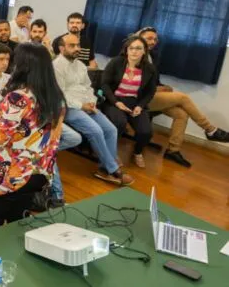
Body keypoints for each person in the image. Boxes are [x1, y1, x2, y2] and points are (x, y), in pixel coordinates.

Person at [0, 44, 65, 230]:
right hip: (37, 173)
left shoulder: (19, 99)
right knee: (18, 225)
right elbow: (55, 138)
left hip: (7, 176)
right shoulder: (56, 98)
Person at [136, 27, 228, 167]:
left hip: (152, 95)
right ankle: (210, 129)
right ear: (139, 37)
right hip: (138, 99)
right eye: (149, 38)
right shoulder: (134, 54)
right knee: (183, 98)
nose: (153, 41)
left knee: (181, 114)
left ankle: (173, 151)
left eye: (155, 39)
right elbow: (135, 85)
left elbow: (154, 80)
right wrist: (157, 88)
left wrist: (162, 87)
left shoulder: (153, 56)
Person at [54, 34, 134, 186]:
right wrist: (81, 106)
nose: (77, 49)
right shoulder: (56, 66)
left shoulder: (80, 65)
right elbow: (60, 94)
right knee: (95, 131)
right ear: (61, 48)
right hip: (69, 108)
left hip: (87, 105)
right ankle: (113, 169)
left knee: (111, 129)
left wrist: (92, 102)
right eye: (72, 46)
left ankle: (104, 169)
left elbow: (88, 87)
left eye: (78, 45)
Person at [101, 36, 158, 169]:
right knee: (119, 123)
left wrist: (140, 106)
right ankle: (112, 152)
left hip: (135, 102)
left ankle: (137, 152)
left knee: (146, 131)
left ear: (144, 51)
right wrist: (116, 103)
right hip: (114, 100)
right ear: (126, 50)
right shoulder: (116, 62)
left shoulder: (149, 69)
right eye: (131, 48)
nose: (134, 51)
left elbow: (150, 91)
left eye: (138, 48)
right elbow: (105, 85)